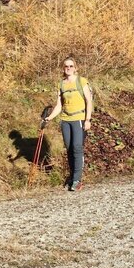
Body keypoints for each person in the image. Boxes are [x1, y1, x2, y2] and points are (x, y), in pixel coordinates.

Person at [43, 56, 94, 191]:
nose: (69, 68)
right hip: (65, 120)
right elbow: (59, 105)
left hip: (79, 118)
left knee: (77, 147)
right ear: (63, 69)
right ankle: (72, 177)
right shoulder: (61, 84)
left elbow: (89, 101)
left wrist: (87, 120)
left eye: (71, 66)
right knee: (69, 149)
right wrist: (49, 118)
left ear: (75, 68)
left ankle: (77, 180)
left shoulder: (82, 81)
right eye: (66, 66)